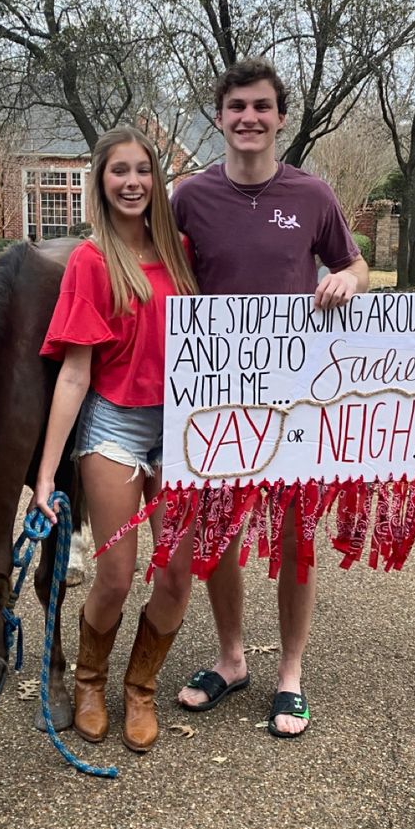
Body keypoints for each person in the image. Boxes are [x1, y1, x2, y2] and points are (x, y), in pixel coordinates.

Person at [171, 58, 369, 738]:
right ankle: (231, 658)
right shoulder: (190, 198)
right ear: (220, 118)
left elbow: (354, 262)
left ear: (280, 116)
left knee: (294, 539)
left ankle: (290, 672)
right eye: (236, 107)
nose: (249, 118)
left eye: (261, 106)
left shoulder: (312, 194)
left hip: (296, 402)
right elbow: (159, 271)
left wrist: (347, 279)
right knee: (217, 535)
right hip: (218, 401)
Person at [32, 125, 197, 753]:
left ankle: (141, 689)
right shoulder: (92, 260)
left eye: (143, 171)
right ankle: (91, 681)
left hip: (183, 430)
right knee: (116, 576)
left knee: (179, 574)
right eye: (118, 171)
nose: (132, 182)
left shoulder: (182, 251)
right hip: (115, 428)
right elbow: (74, 373)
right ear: (101, 182)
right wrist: (47, 473)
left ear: (156, 180)